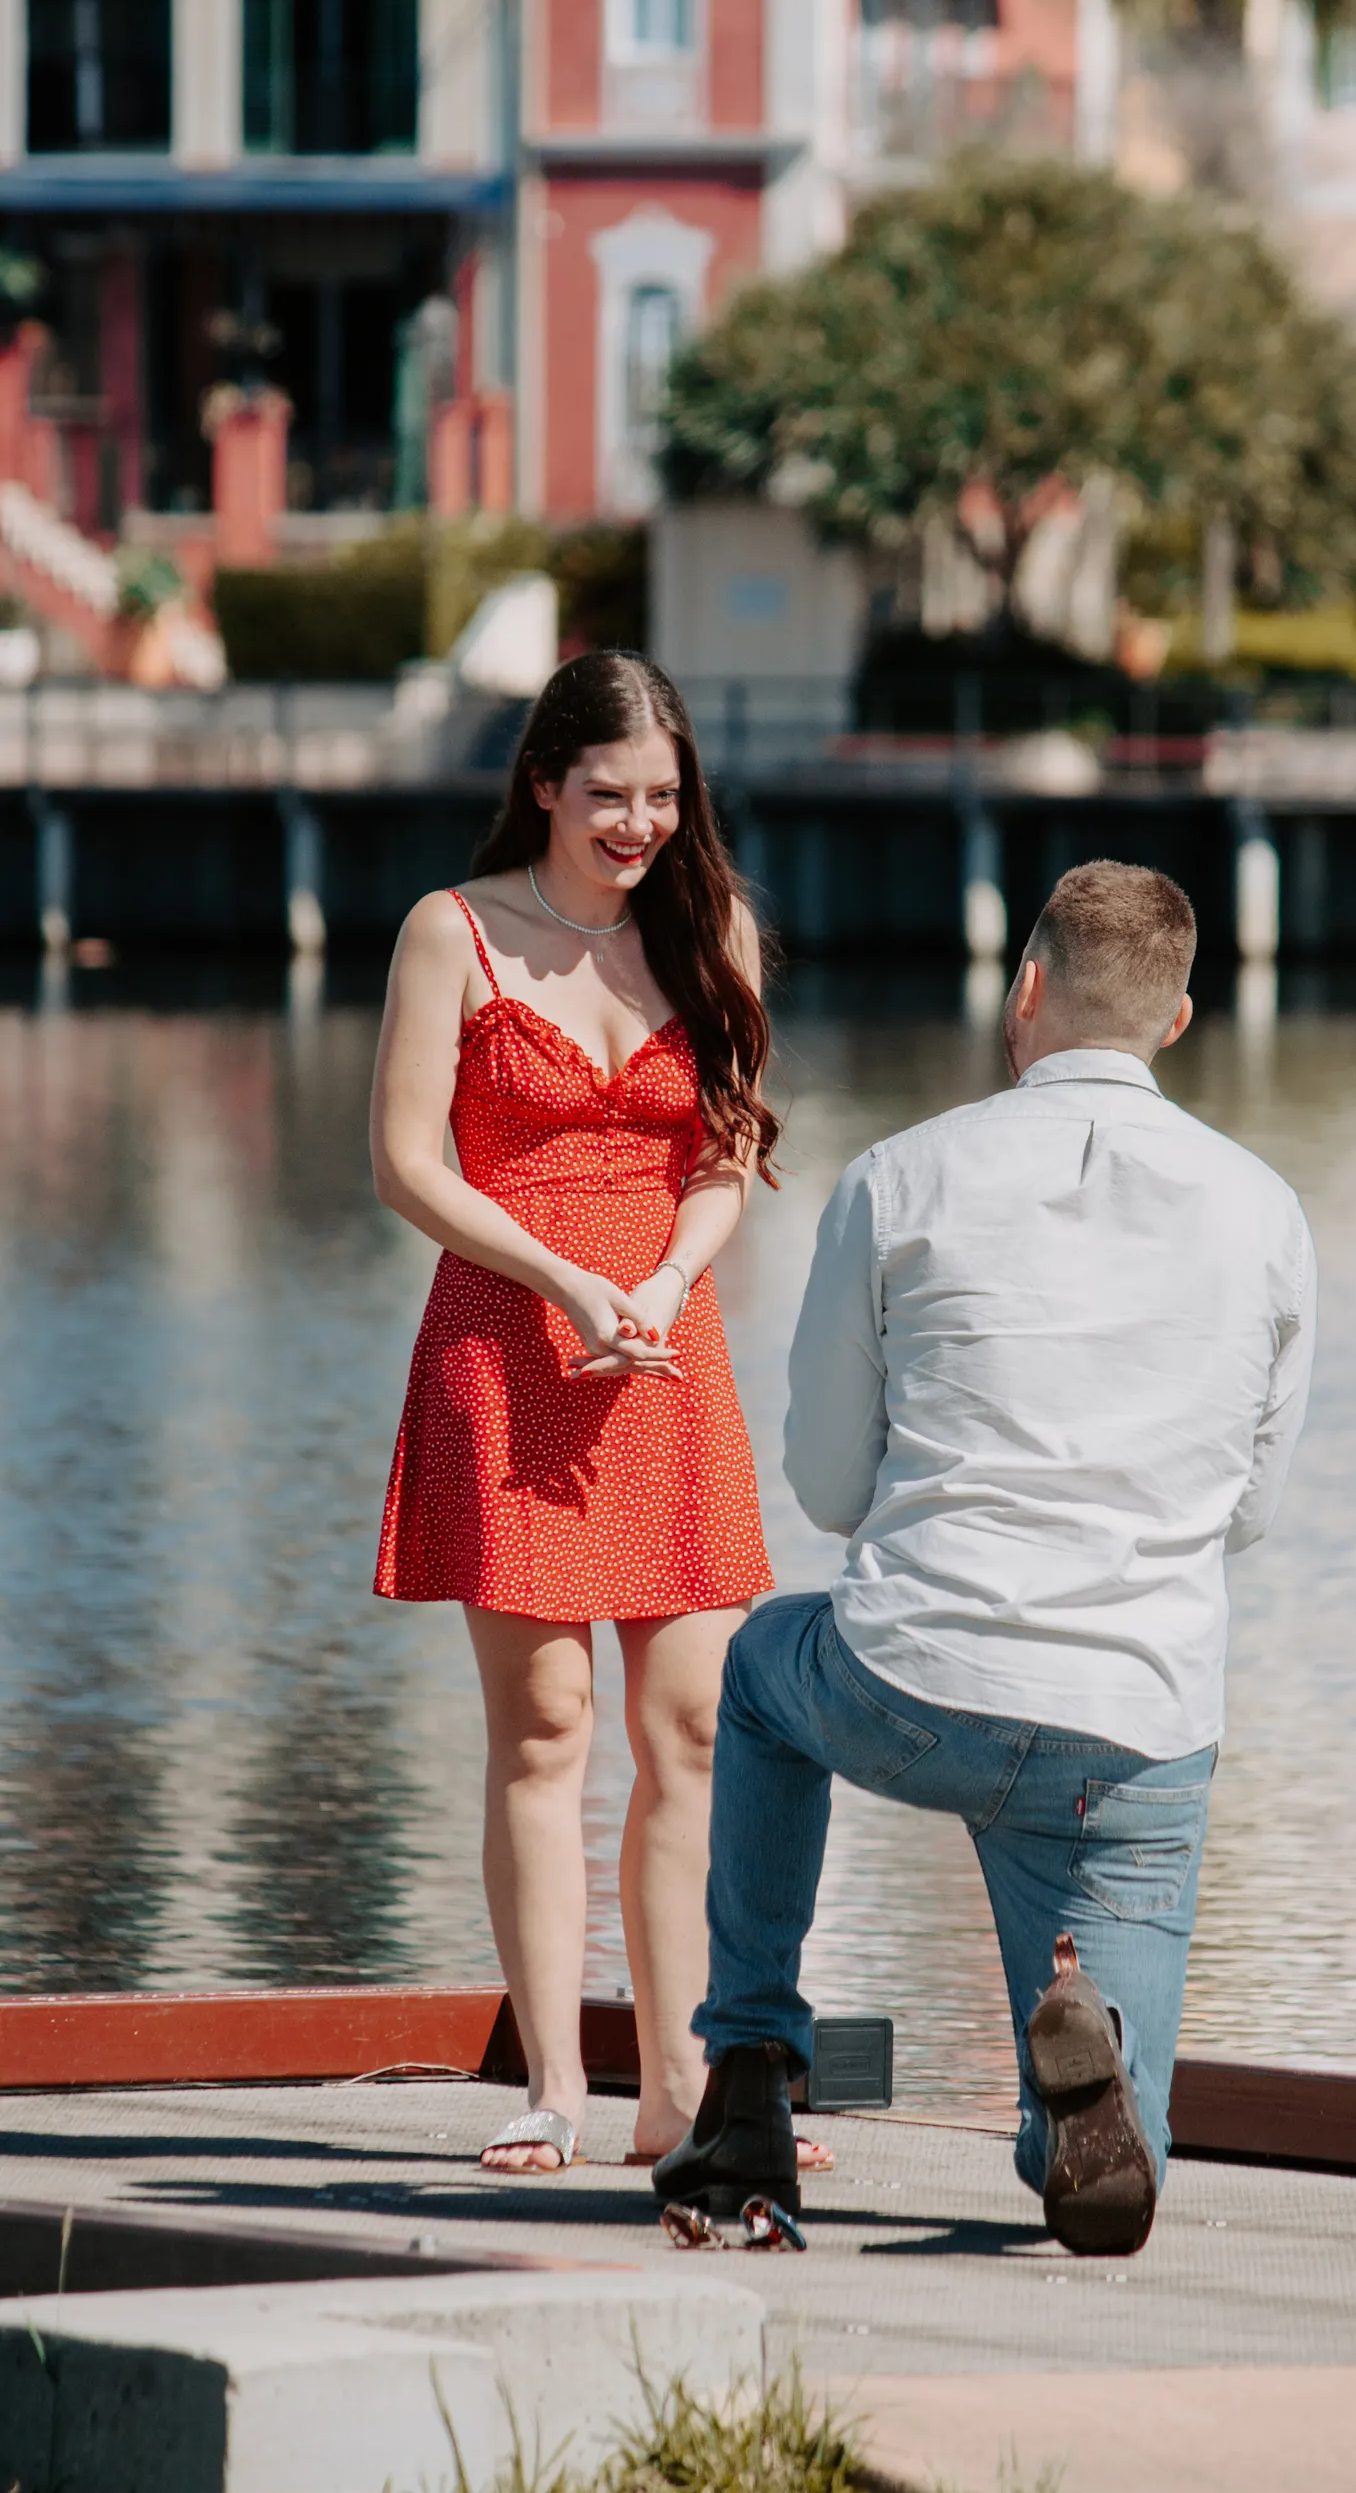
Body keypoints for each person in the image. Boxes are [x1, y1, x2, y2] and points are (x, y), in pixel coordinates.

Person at [653, 859, 1316, 2251]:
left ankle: (751, 2075)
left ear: (1025, 989)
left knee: (762, 1667)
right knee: (1115, 2136)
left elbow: (829, 1488)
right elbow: (1246, 1509)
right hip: (1135, 1731)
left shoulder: (898, 1178)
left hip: (914, 1684)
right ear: (1177, 1021)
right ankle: (1077, 2098)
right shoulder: (1264, 1210)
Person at [371, 651, 784, 2176]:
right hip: (508, 1341)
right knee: (544, 1728)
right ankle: (555, 2086)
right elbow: (405, 1164)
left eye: (662, 796)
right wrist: (560, 1279)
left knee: (693, 1730)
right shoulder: (454, 930)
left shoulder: (713, 928)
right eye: (608, 794)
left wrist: (663, 1281)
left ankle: (678, 2089)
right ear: (543, 781)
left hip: (666, 1352)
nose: (638, 825)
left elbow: (725, 1156)